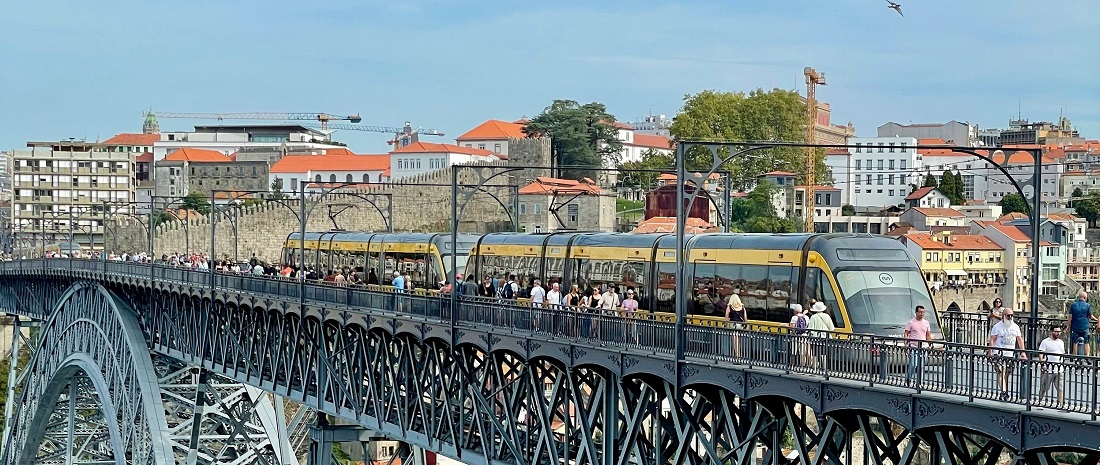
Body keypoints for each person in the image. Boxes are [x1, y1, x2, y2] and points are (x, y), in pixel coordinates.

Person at [989, 308, 1025, 400]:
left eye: (1012, 315)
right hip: (999, 353)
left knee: (1007, 374)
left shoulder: (1015, 327)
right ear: (1003, 316)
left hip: (1010, 354)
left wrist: (1023, 352)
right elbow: (992, 340)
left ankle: (1004, 390)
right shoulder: (997, 327)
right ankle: (1003, 392)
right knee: (1001, 372)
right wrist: (991, 352)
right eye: (1008, 315)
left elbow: (1019, 339)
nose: (1010, 317)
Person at [1037, 325, 1066, 406]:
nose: (1058, 333)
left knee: (1060, 388)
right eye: (1056, 331)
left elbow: (1062, 354)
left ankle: (1061, 404)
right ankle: (1039, 401)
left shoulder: (1061, 342)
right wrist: (1042, 364)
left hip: (1059, 369)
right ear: (1051, 332)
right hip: (1048, 369)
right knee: (1044, 387)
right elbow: (1041, 354)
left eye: (1059, 332)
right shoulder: (1045, 342)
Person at [904, 306, 932, 386]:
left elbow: (928, 334)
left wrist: (930, 345)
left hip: (923, 347)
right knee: (913, 364)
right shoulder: (911, 322)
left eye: (923, 312)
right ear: (916, 312)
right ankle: (908, 378)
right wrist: (906, 344)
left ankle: (919, 382)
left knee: (921, 366)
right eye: (920, 312)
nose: (921, 314)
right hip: (913, 347)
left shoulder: (926, 323)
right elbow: (906, 333)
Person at [1066, 291, 1096, 356]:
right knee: (1086, 342)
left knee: (1075, 342)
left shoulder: (1073, 305)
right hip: (1084, 327)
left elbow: (1070, 317)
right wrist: (1097, 319)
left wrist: (1068, 326)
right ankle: (1087, 356)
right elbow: (1091, 316)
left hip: (1075, 326)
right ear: (1085, 297)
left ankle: (1075, 357)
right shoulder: (1088, 305)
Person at [807, 302, 836, 370]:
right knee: (825, 354)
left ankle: (814, 369)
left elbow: (810, 329)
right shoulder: (827, 316)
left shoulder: (813, 317)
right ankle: (825, 369)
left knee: (815, 354)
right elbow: (832, 328)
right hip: (825, 338)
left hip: (816, 338)